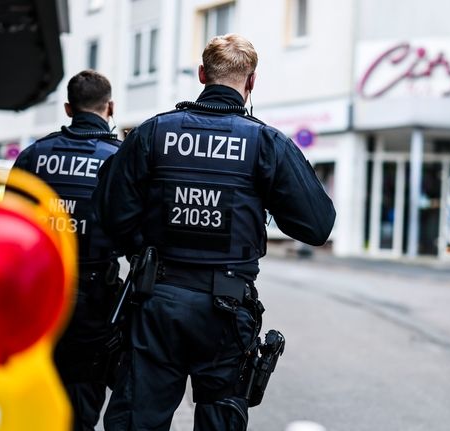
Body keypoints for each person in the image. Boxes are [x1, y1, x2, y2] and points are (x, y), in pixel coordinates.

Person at [94, 34, 336, 430]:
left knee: (137, 419)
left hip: (157, 301)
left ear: (203, 74)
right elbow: (317, 225)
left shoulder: (153, 133)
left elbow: (109, 212)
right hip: (226, 310)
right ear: (251, 81)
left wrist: (145, 250)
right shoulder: (266, 143)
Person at [7, 70, 122, 430]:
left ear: (69, 108)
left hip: (35, 294)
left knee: (30, 393)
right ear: (110, 107)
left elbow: (9, 226)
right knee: (81, 401)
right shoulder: (119, 159)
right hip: (94, 298)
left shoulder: (34, 155)